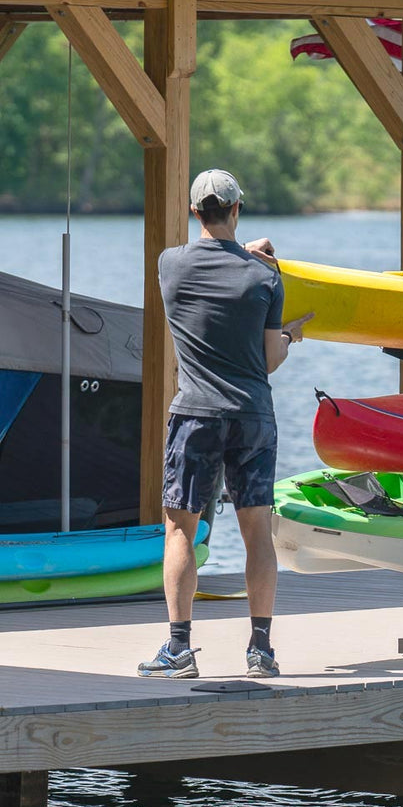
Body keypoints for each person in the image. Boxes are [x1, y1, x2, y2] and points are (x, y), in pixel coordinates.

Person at [138, 168, 313, 680]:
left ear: (197, 213)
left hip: (195, 414)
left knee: (180, 530)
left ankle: (178, 649)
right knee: (256, 529)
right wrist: (292, 336)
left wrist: (235, 248)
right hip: (253, 415)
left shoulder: (170, 265)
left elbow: (205, 257)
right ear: (237, 209)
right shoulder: (266, 276)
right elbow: (268, 358)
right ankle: (260, 649)